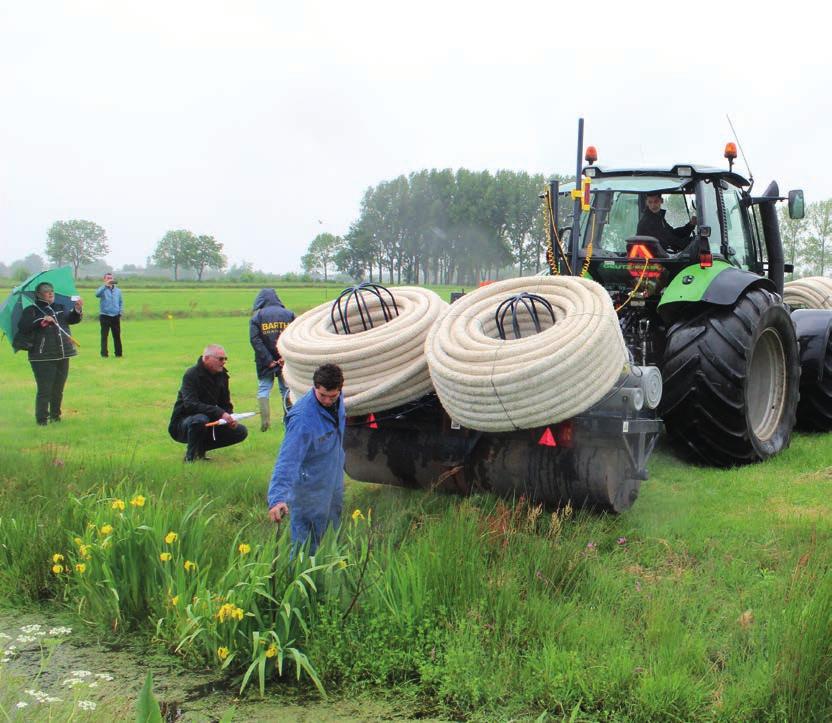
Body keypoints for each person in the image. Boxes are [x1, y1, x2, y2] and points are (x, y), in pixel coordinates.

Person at [267, 363, 345, 552]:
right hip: (308, 488)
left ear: (340, 390)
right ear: (314, 387)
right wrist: (277, 498)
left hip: (333, 481)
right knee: (306, 544)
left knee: (332, 538)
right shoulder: (303, 420)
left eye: (332, 396)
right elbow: (288, 459)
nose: (327, 401)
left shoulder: (338, 400)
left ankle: (328, 575)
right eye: (322, 396)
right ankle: (299, 577)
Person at [15, 282, 83, 426]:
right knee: (45, 390)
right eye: (46, 291)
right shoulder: (32, 310)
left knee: (58, 389)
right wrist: (42, 320)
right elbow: (23, 326)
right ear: (39, 294)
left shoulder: (59, 307)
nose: (50, 293)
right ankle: (42, 421)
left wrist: (77, 310)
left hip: (63, 354)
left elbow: (71, 319)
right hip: (42, 356)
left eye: (52, 290)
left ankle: (55, 417)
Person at [168, 344, 248, 462]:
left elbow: (225, 403)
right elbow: (190, 404)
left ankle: (200, 449)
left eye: (225, 359)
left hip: (208, 420)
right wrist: (219, 412)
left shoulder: (222, 376)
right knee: (200, 419)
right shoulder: (191, 374)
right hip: (183, 423)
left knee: (240, 431)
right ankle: (190, 458)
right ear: (206, 358)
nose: (224, 362)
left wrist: (230, 417)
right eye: (220, 359)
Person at [249, 289, 295, 431]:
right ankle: (288, 419)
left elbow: (255, 340)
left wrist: (268, 360)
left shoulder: (257, 317)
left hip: (264, 362)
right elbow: (295, 337)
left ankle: (265, 422)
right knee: (286, 389)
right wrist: (284, 357)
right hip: (285, 361)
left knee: (264, 389)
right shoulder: (289, 314)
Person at [95, 272, 124, 357]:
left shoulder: (118, 291)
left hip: (115, 316)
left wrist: (120, 312)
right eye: (108, 278)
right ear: (104, 279)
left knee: (117, 336)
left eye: (111, 278)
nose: (110, 279)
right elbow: (97, 294)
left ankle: (118, 354)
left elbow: (121, 302)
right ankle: (104, 354)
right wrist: (105, 286)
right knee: (104, 336)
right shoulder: (102, 289)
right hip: (105, 316)